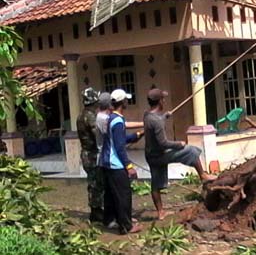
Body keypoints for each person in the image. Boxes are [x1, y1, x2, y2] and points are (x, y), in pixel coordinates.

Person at [144, 88, 216, 220]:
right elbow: (163, 143)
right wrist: (179, 144)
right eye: (163, 99)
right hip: (160, 155)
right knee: (191, 150)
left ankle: (161, 213)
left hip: (150, 155)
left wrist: (165, 116)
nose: (164, 101)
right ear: (160, 101)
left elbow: (157, 121)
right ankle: (203, 175)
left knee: (155, 184)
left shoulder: (147, 115)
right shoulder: (157, 122)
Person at [98, 89, 144, 234]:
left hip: (107, 163)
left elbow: (118, 139)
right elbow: (119, 147)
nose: (127, 102)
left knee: (112, 195)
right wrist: (129, 166)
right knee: (123, 195)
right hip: (115, 164)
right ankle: (126, 226)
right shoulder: (117, 121)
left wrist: (136, 135)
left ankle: (111, 220)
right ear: (123, 102)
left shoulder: (110, 118)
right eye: (126, 100)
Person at [76, 87, 104, 223]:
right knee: (96, 183)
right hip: (91, 154)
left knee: (94, 183)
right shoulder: (90, 116)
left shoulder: (81, 115)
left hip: (87, 153)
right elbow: (96, 134)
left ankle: (97, 210)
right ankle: (96, 211)